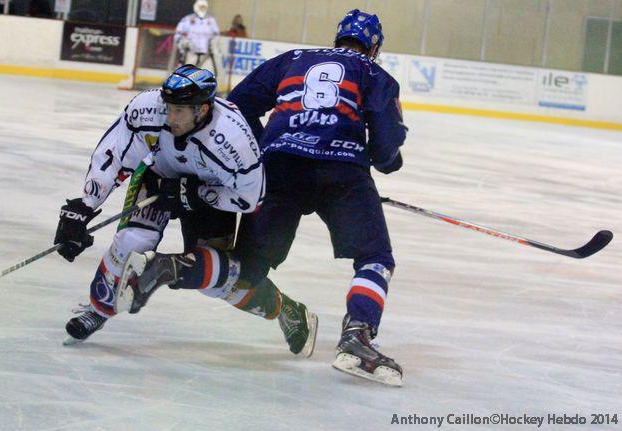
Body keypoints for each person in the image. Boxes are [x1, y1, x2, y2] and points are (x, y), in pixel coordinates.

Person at [54, 65, 317, 358]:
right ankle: (99, 308)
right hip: (158, 177)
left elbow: (249, 198)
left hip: (210, 194)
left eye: (179, 111)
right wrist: (84, 206)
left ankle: (285, 308)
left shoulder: (232, 138)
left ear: (202, 109)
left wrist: (197, 194)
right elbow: (114, 153)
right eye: (168, 108)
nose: (170, 117)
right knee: (132, 240)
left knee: (213, 281)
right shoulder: (147, 107)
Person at [226, 10, 408, 386]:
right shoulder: (376, 74)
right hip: (342, 172)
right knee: (375, 257)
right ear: (374, 46)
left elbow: (237, 104)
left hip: (280, 168)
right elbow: (385, 149)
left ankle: (182, 268)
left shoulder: (292, 59)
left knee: (246, 271)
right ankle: (357, 335)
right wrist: (389, 161)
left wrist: (265, 145)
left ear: (338, 37)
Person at [174, 0, 220, 72]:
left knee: (206, 73)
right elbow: (178, 34)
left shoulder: (211, 20)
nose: (202, 9)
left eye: (204, 7)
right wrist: (183, 43)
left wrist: (214, 43)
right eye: (201, 7)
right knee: (187, 73)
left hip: (206, 54)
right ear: (196, 7)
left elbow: (216, 34)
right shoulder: (187, 19)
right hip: (191, 52)